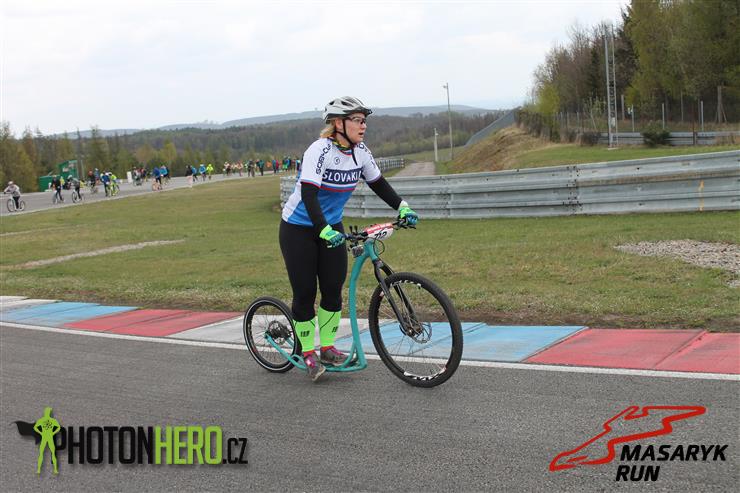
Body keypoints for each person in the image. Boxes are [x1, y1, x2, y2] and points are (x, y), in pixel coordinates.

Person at [280, 96, 418, 382]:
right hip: (299, 228)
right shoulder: (319, 150)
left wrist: (402, 206)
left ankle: (327, 348)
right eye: (357, 120)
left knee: (333, 289)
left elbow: (378, 183)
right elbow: (309, 195)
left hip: (331, 226)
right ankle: (308, 352)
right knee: (305, 292)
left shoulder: (361, 153)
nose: (363, 125)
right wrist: (322, 228)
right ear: (338, 123)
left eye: (364, 120)